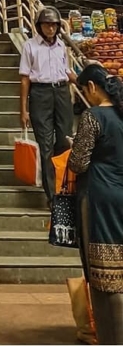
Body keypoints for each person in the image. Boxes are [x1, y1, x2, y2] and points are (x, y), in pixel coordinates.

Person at [68, 63, 123, 345]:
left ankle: (111, 338)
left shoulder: (94, 117)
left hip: (100, 198)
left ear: (91, 88)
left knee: (104, 278)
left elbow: (78, 163)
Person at [19, 6, 75, 203]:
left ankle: (64, 187)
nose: (50, 28)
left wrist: (86, 82)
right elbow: (25, 79)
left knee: (64, 140)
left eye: (53, 25)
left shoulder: (62, 46)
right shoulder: (30, 46)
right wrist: (23, 110)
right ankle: (52, 196)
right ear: (39, 26)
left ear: (58, 26)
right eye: (46, 24)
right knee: (45, 145)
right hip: (40, 94)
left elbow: (67, 71)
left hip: (61, 92)